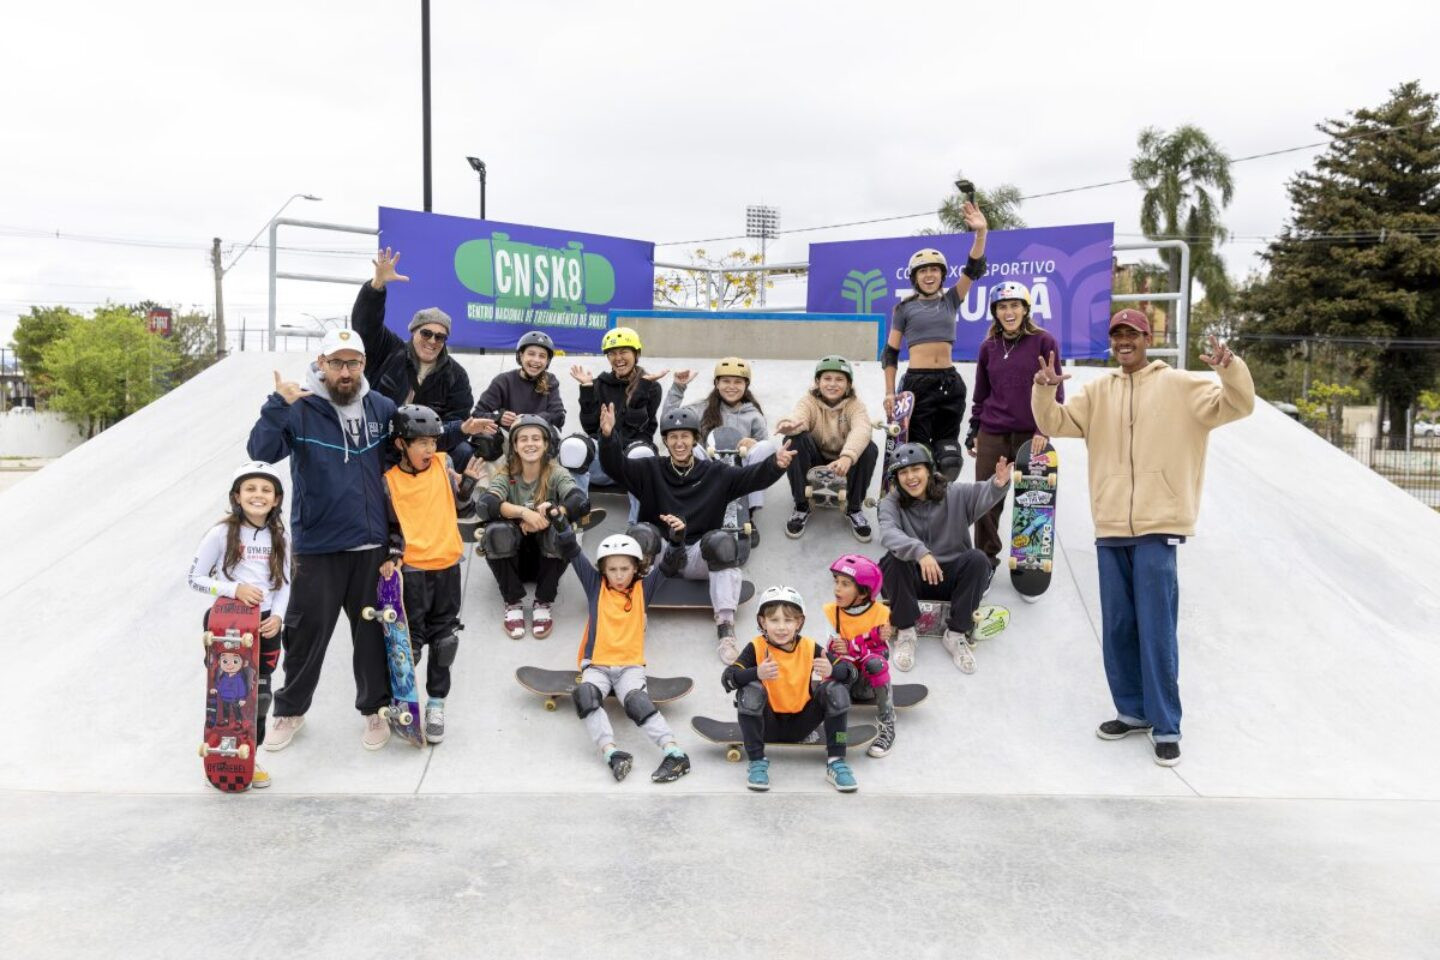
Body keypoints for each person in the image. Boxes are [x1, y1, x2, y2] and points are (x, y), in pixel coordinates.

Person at [1032, 311, 1254, 767]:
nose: (1124, 342)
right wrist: (1043, 388)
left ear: (1147, 339)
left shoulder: (1179, 385)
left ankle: (1167, 724)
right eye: (1117, 335)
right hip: (1111, 525)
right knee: (1117, 627)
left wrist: (1228, 368)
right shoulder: (1098, 391)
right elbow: (1055, 423)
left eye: (1132, 334)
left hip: (1160, 525)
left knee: (1156, 628)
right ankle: (1131, 711)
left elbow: (1239, 405)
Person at [247, 327, 397, 752]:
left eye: (352, 362)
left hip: (371, 546)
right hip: (318, 546)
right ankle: (289, 711)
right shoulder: (301, 407)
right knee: (306, 635)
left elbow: (412, 447)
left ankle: (374, 710)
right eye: (336, 362)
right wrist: (278, 405)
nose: (345, 371)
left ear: (363, 365)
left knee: (371, 636)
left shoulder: (380, 407)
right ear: (321, 364)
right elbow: (261, 449)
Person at [597, 402, 794, 663]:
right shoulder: (649, 469)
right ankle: (633, 614)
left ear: (694, 440)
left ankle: (725, 629)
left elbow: (752, 477)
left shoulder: (717, 474)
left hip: (697, 557)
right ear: (666, 441)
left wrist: (776, 465)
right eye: (673, 437)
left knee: (724, 541)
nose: (680, 443)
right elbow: (615, 467)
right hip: (659, 558)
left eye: (685, 437)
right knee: (640, 533)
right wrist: (609, 437)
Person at [557, 514, 692, 783]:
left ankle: (675, 754)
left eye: (625, 569)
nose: (619, 575)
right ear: (603, 570)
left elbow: (668, 564)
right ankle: (612, 754)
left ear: (636, 568)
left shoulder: (644, 588)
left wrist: (677, 539)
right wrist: (560, 524)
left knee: (636, 702)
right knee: (585, 694)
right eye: (613, 569)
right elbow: (573, 552)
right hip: (597, 664)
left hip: (630, 665)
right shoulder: (596, 585)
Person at [381, 405, 485, 744]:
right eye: (421, 443)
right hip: (411, 571)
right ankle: (402, 700)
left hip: (448, 567)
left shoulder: (445, 463)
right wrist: (391, 557)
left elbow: (463, 509)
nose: (430, 449)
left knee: (445, 641)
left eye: (433, 442)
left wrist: (467, 487)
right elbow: (388, 526)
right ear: (401, 444)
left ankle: (436, 704)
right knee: (408, 645)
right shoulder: (388, 480)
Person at [187, 462, 292, 788]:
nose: (258, 495)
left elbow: (285, 584)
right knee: (226, 694)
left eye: (265, 490)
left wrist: (278, 617)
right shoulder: (220, 533)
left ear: (276, 499)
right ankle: (220, 755)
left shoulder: (281, 535)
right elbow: (195, 579)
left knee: (259, 696)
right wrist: (235, 589)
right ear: (237, 496)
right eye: (250, 489)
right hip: (227, 622)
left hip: (264, 625)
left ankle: (250, 756)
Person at [877, 443, 1012, 674]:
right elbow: (889, 533)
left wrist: (998, 484)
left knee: (979, 559)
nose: (910, 478)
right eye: (903, 473)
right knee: (892, 559)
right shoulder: (890, 503)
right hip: (912, 581)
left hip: (949, 581)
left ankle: (956, 634)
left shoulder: (954, 494)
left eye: (915, 469)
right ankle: (907, 632)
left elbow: (982, 492)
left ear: (929, 470)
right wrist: (920, 553)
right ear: (896, 478)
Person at [881, 202, 989, 482]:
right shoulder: (903, 309)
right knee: (918, 455)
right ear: (915, 277)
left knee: (949, 459)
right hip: (917, 385)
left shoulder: (951, 299)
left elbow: (973, 268)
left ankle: (941, 508)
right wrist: (890, 392)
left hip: (950, 383)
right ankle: (916, 509)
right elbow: (890, 352)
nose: (929, 275)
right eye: (922, 271)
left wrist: (981, 233)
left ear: (942, 274)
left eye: (934, 270)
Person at [720, 586, 858, 793]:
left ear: (799, 623)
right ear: (762, 622)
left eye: (788, 620)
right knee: (750, 690)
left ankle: (837, 760)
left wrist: (832, 670)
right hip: (767, 725)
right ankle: (757, 761)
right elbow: (728, 680)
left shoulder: (810, 647)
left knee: (836, 690)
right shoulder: (756, 647)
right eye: (774, 620)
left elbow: (851, 672)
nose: (781, 627)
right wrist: (756, 673)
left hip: (803, 725)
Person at [349, 248, 476, 468]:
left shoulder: (456, 375)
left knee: (464, 451)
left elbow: (457, 419)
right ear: (413, 332)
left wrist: (422, 440)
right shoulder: (389, 349)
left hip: (428, 444)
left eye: (440, 337)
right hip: (380, 438)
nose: (432, 341)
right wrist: (377, 285)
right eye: (426, 333)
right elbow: (365, 325)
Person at [966, 281, 1063, 569]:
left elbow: (1056, 392)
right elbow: (981, 393)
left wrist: (1043, 429)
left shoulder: (1044, 342)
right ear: (995, 312)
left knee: (1032, 499)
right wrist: (974, 429)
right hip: (993, 431)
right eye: (1002, 307)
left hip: (1030, 435)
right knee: (985, 499)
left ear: (1025, 309)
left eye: (1014, 305)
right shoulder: (988, 347)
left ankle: (1029, 559)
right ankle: (985, 559)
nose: (1009, 312)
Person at [476, 415, 590, 640]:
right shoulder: (507, 474)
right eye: (523, 439)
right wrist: (523, 513)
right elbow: (486, 504)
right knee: (496, 531)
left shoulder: (556, 473)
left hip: (546, 562)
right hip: (513, 561)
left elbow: (580, 501)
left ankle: (543, 602)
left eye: (536, 438)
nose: (530, 443)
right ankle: (512, 602)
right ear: (515, 446)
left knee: (561, 528)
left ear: (546, 444)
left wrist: (553, 515)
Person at [661, 357, 776, 544]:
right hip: (709, 471)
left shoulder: (753, 415)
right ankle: (697, 505)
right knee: (692, 446)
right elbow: (669, 421)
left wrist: (753, 443)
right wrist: (678, 388)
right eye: (726, 381)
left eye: (738, 382)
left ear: (746, 385)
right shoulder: (701, 409)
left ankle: (748, 513)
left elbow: (765, 454)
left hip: (741, 474)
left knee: (768, 447)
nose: (732, 386)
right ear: (716, 383)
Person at [774, 355, 878, 542]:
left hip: (843, 463)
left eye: (839, 379)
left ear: (848, 384)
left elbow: (863, 429)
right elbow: (799, 417)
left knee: (869, 448)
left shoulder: (856, 405)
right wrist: (791, 425)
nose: (832, 384)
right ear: (817, 382)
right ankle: (801, 505)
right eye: (827, 378)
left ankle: (854, 508)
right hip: (816, 458)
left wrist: (847, 457)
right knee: (793, 440)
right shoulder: (809, 401)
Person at [569, 326, 664, 524]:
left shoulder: (651, 386)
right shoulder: (598, 384)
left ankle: (639, 527)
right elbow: (589, 427)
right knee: (573, 447)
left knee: (641, 454)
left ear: (636, 354)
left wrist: (641, 390)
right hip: (602, 462)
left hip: (629, 465)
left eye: (623, 352)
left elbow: (637, 428)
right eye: (612, 353)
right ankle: (577, 517)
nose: (618, 358)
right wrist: (586, 389)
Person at [822, 554, 897, 758]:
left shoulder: (881, 613)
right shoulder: (832, 612)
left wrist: (851, 646)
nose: (837, 588)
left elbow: (882, 653)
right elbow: (833, 649)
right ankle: (839, 734)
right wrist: (865, 643)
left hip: (867, 686)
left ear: (863, 592)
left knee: (876, 663)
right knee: (838, 665)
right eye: (836, 582)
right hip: (845, 681)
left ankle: (887, 725)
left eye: (845, 584)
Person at [460, 330, 566, 468]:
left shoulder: (550, 380)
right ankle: (488, 488)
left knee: (554, 438)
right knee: (485, 438)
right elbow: (477, 414)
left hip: (538, 439)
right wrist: (498, 417)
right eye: (531, 354)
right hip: (508, 440)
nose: (536, 360)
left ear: (547, 361)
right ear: (521, 356)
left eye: (542, 356)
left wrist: (528, 420)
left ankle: (548, 485)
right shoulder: (504, 380)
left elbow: (558, 415)